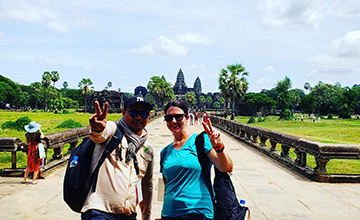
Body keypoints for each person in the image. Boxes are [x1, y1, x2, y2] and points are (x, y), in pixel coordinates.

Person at [81, 96, 154, 220]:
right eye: (133, 112)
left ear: (148, 116)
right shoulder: (113, 131)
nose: (138, 117)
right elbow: (101, 134)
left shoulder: (147, 149)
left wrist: (146, 216)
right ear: (124, 112)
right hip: (99, 212)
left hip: (128, 214)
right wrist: (97, 128)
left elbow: (146, 185)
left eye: (143, 113)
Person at [159, 100, 233, 220]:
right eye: (169, 118)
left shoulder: (201, 141)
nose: (173, 121)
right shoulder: (165, 151)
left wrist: (219, 147)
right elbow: (167, 185)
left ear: (187, 117)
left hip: (197, 211)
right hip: (169, 213)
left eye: (178, 117)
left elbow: (226, 167)